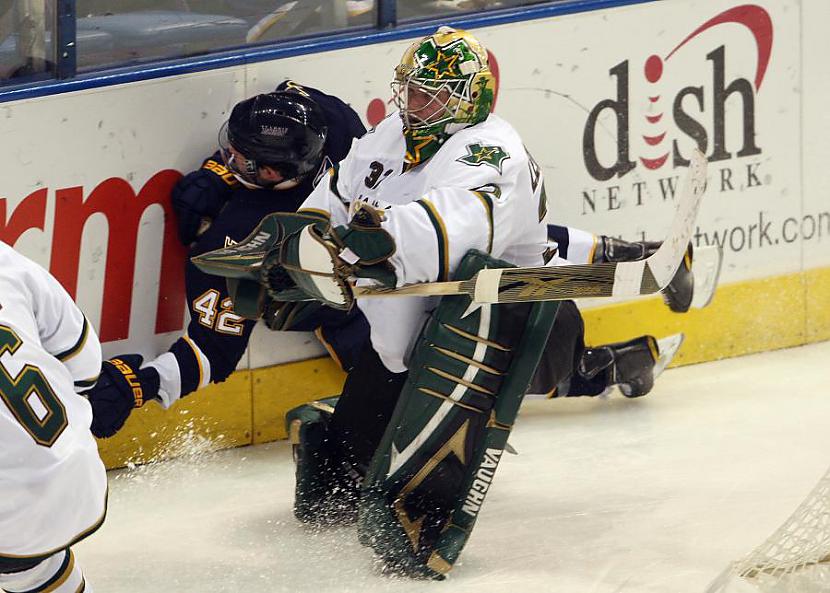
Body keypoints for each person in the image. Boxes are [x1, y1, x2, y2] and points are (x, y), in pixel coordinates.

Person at [192, 26, 696, 577]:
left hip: (503, 319)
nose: (414, 103)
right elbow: (337, 196)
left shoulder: (489, 151)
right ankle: (331, 426)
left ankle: (620, 362)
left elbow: (454, 227)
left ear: (470, 98)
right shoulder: (391, 133)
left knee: (547, 377)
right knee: (336, 490)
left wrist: (375, 237)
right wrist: (298, 240)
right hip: (404, 333)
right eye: (410, 89)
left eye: (432, 94)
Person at [84, 81, 368, 439]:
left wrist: (141, 384)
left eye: (236, 157)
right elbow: (290, 92)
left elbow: (212, 353)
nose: (226, 158)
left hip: (365, 299)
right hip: (376, 277)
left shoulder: (240, 238)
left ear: (269, 172)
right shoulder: (334, 122)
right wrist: (219, 174)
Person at [0, 241, 106, 593]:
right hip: (72, 464)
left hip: (9, 506)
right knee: (34, 570)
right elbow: (86, 367)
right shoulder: (6, 260)